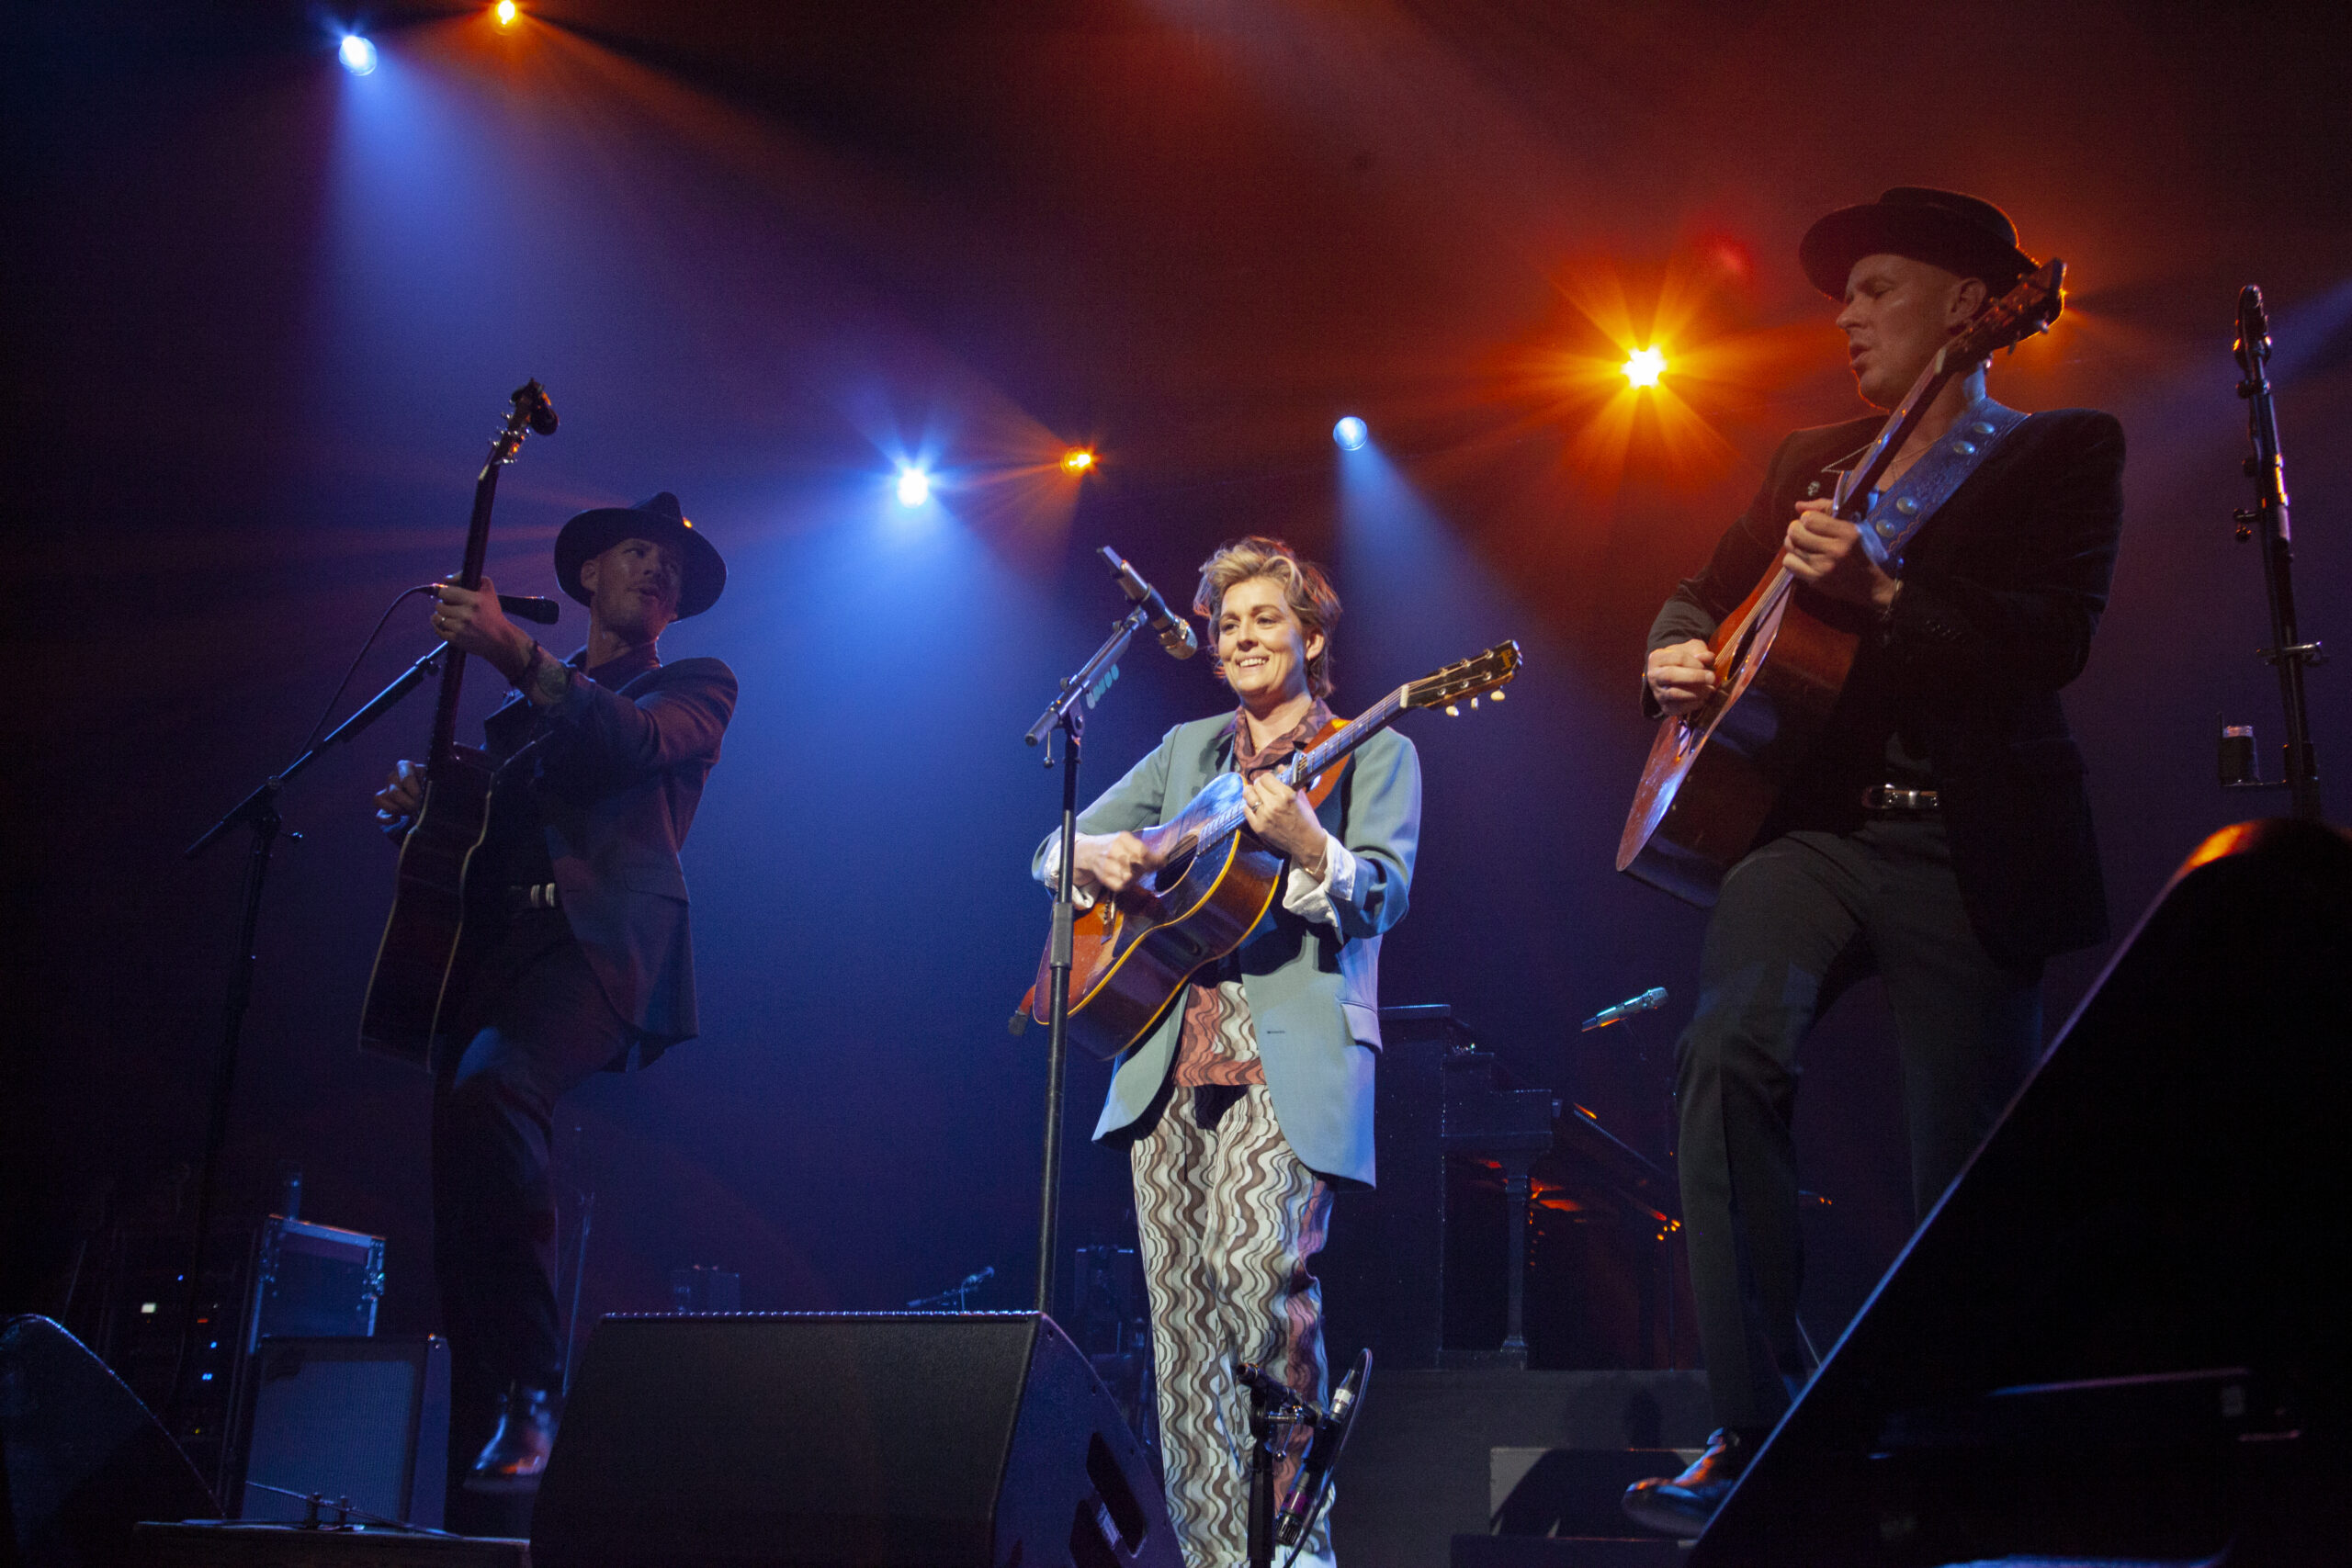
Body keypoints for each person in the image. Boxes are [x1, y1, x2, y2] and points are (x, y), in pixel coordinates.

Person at [1621, 189, 2127, 1536]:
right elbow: (1701, 586)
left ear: (1977, 304)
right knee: (1724, 1055)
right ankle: (1753, 1421)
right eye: (1842, 295)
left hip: (1968, 835)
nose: (1844, 315)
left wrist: (1888, 591)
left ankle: (1964, 1442)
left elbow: (2051, 639)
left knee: (1964, 1155)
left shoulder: (2062, 450)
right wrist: (1670, 650)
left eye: (1879, 289)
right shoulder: (1810, 456)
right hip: (1812, 832)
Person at [1034, 537, 1420, 1568]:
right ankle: (1213, 1558)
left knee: (1258, 1284)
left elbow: (1382, 891)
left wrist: (1307, 843)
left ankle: (1291, 1552)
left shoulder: (1369, 746)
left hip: (1281, 1047)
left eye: (1265, 618)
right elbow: (1052, 844)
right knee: (1184, 1329)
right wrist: (1094, 854)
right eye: (1228, 623)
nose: (1243, 636)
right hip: (1164, 1044)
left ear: (1312, 637)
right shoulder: (1185, 749)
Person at [374, 492, 736, 1503]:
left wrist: (510, 654)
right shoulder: (517, 715)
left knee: (499, 1088)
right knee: (458, 1201)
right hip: (486, 953)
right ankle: (483, 1468)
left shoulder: (694, 684)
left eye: (671, 564)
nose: (656, 571)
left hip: (597, 951)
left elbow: (625, 745)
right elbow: (492, 831)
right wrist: (431, 811)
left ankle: (538, 1390)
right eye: (637, 552)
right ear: (586, 576)